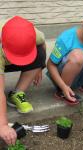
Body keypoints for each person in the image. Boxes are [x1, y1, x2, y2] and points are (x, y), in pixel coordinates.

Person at [0, 16, 46, 145]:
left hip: (10, 53)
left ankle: (17, 92)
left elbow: (42, 45)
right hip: (2, 54)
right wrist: (3, 125)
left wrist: (40, 68)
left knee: (40, 55)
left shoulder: (34, 34)